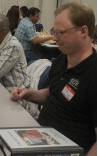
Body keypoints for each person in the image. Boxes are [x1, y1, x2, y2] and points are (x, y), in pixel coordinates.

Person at [11, 3, 97, 154]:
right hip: (39, 138)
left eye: (61, 32)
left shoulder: (93, 73)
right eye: (54, 31)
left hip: (68, 149)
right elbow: (52, 93)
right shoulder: (59, 61)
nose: (54, 38)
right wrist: (27, 93)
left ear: (83, 31)